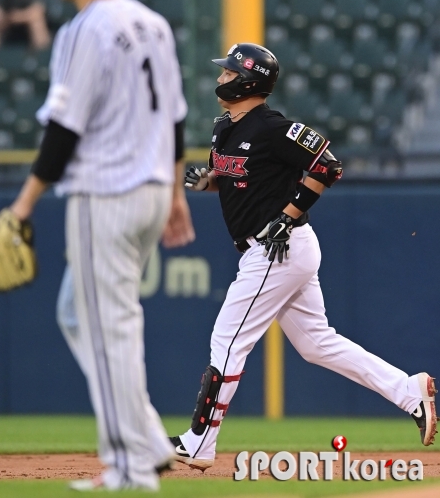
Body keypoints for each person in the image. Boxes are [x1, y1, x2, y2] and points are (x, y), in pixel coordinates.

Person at [169, 42, 438, 471]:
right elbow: (243, 178)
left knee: (227, 339)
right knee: (316, 344)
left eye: (228, 72)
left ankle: (199, 442)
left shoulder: (273, 127)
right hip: (274, 249)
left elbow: (328, 166)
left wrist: (287, 216)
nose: (220, 77)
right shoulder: (225, 127)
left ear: (247, 80)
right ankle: (409, 391)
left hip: (279, 247)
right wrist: (211, 182)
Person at [8, 0, 195, 491]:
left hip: (104, 197)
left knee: (112, 327)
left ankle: (130, 468)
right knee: (79, 312)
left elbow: (63, 132)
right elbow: (178, 117)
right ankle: (147, 438)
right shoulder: (153, 23)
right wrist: (172, 190)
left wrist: (21, 207)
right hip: (145, 193)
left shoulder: (83, 30)